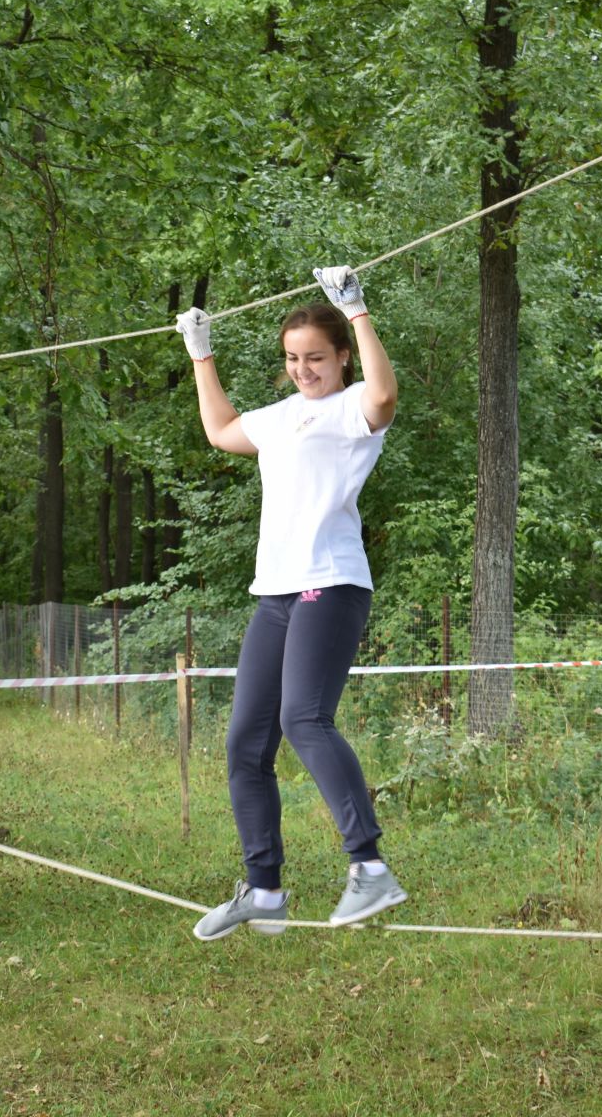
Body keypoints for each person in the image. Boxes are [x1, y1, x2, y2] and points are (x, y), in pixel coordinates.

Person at [174, 265, 405, 939]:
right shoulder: (282, 418)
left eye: (316, 358)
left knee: (304, 719)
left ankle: (369, 868)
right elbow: (221, 431)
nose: (304, 369)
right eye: (293, 359)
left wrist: (356, 310)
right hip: (275, 595)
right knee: (246, 744)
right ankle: (265, 890)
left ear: (339, 358)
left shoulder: (352, 406)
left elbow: (385, 396)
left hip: (328, 584)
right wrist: (201, 352)